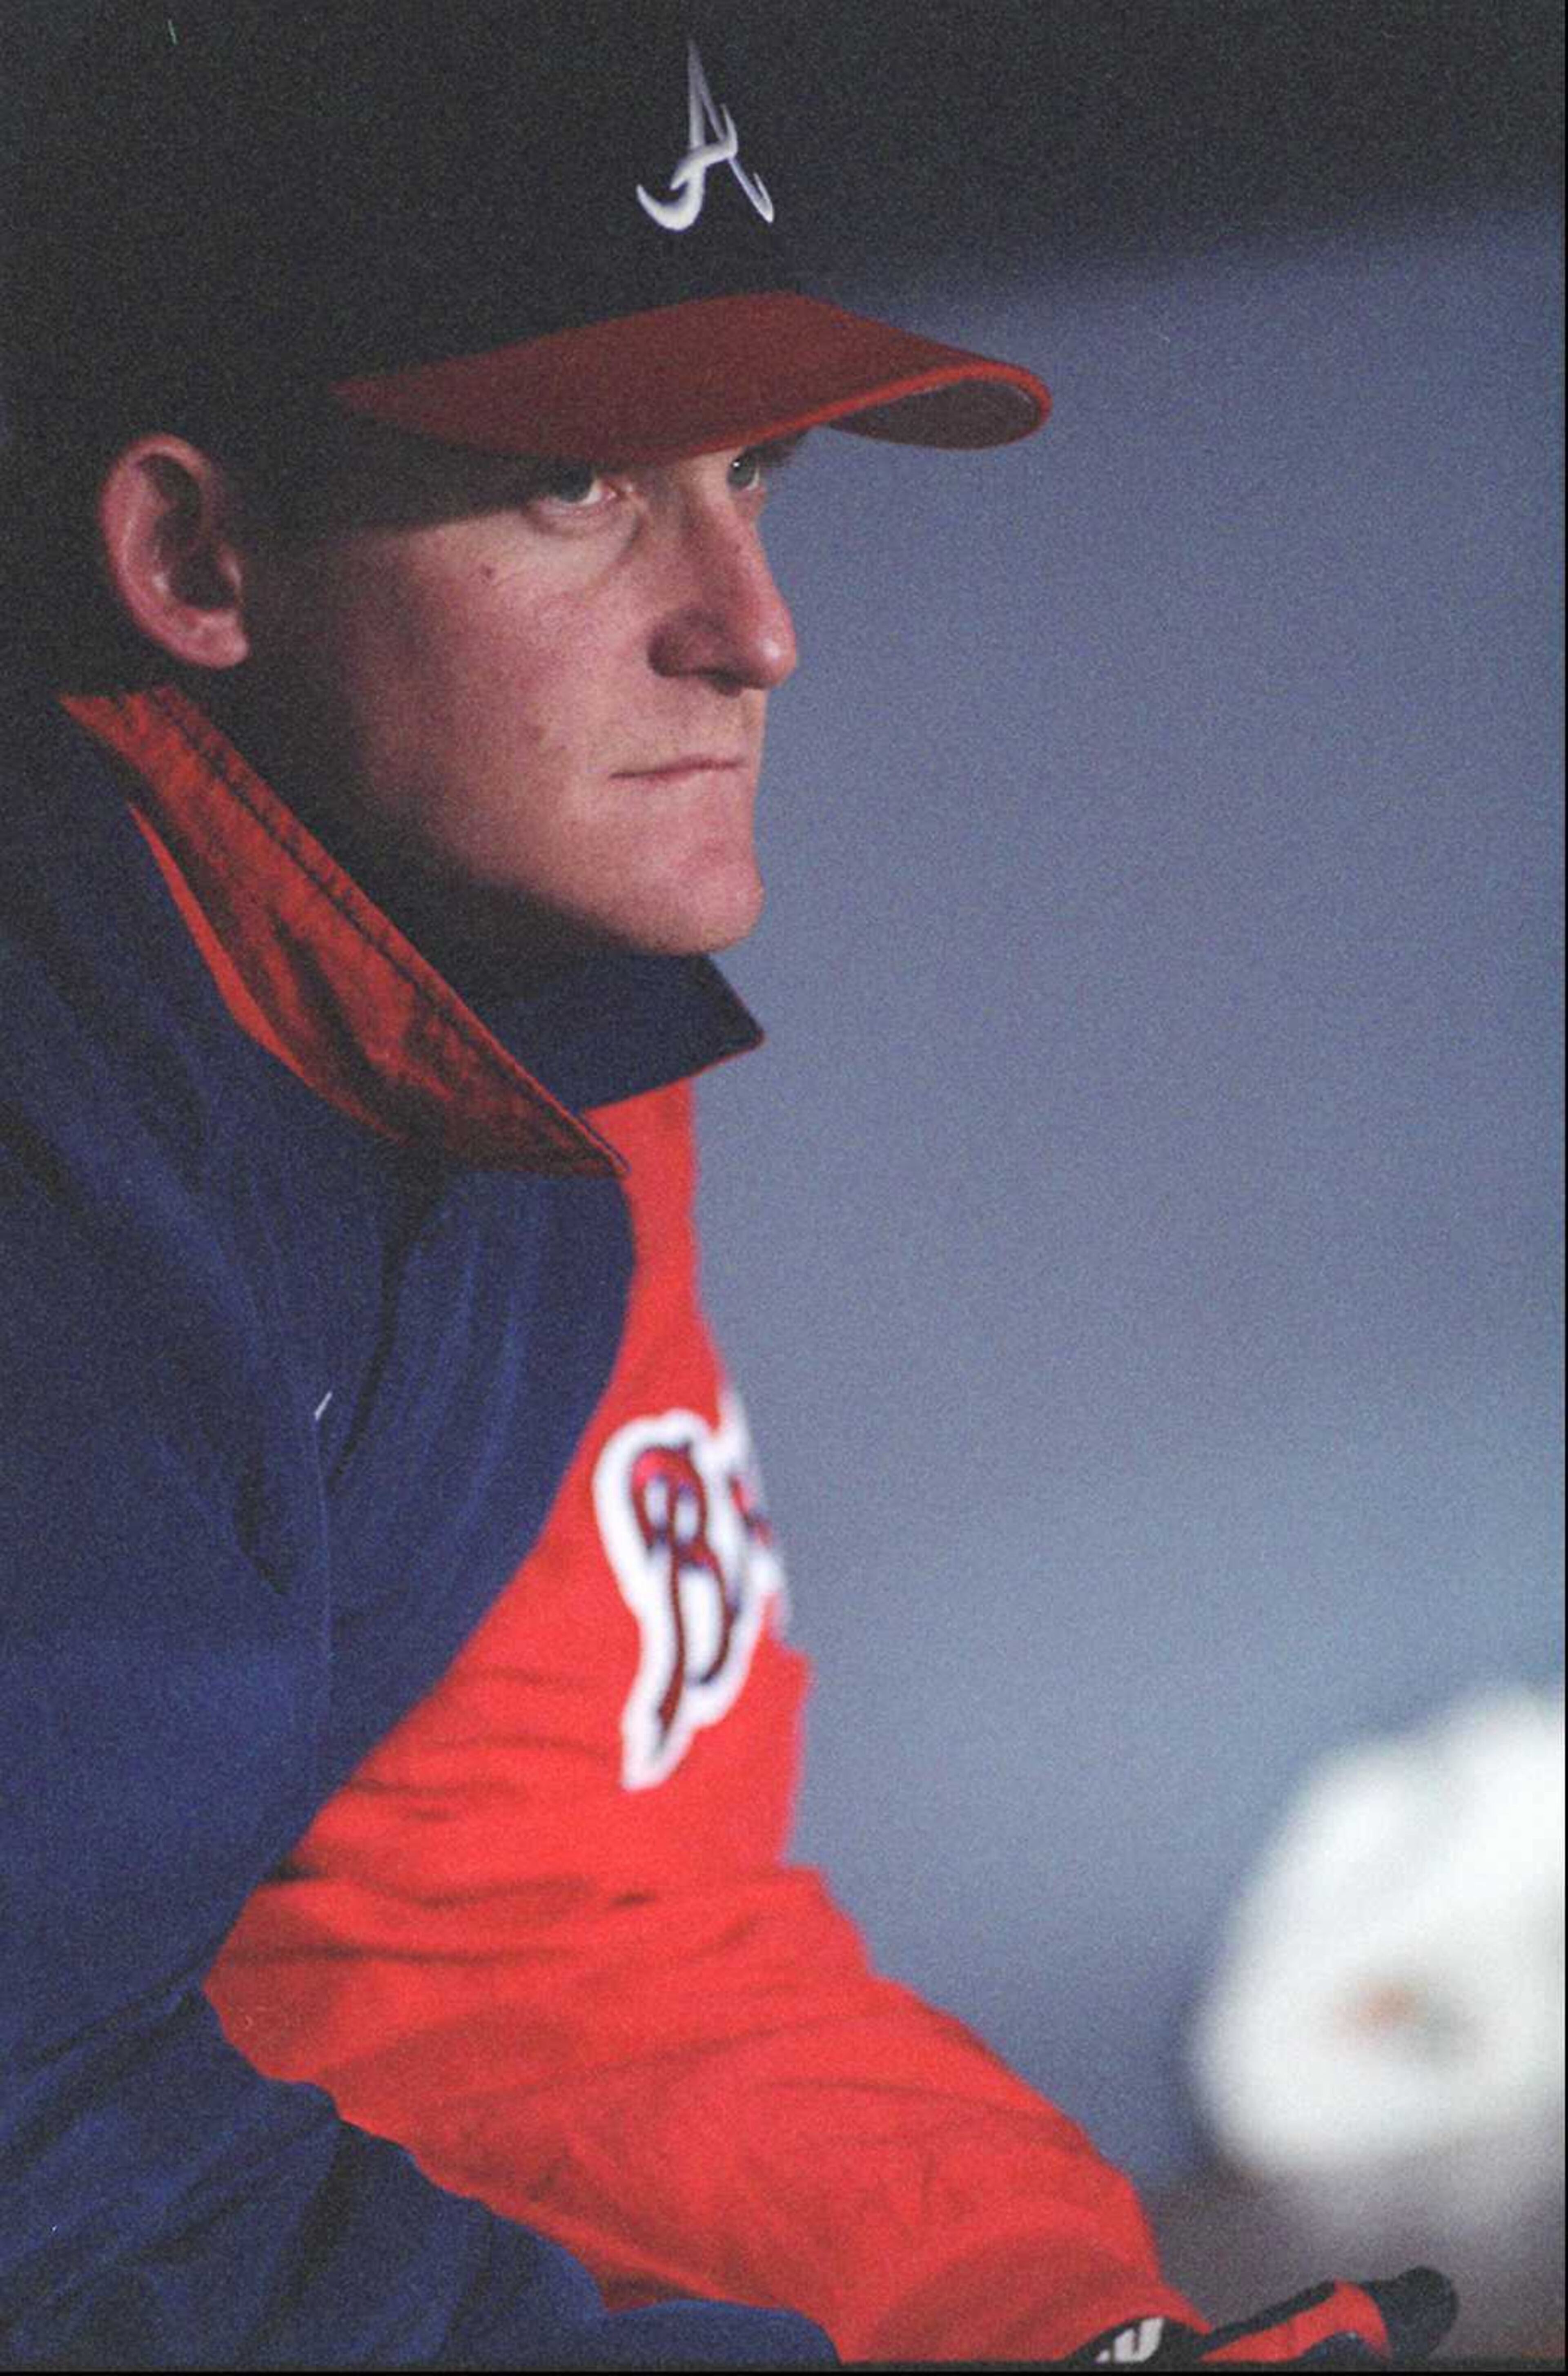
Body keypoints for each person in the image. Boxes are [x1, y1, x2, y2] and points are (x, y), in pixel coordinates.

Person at [0, 4, 1457, 2366]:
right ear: (193, 550)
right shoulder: (62, 1160)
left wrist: (1058, 2324)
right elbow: (39, 2176)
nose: (754, 628)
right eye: (580, 489)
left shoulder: (486, 987)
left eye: (755, 469)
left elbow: (567, 1945)